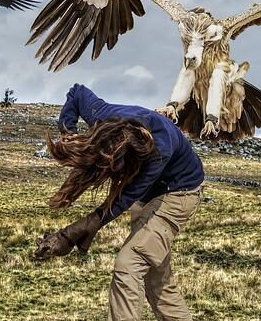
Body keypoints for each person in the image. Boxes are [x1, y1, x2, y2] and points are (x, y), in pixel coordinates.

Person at [34, 84, 204, 321]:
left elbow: (125, 197)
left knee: (130, 264)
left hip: (177, 194)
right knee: (157, 281)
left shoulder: (159, 150)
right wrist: (68, 133)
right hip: (149, 197)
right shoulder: (104, 116)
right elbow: (76, 92)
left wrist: (70, 233)